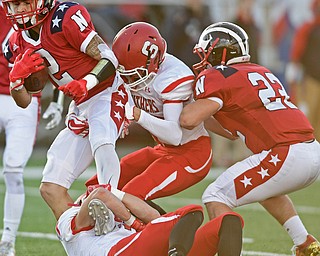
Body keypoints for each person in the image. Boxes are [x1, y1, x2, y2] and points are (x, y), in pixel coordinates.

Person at [179, 21, 320, 255]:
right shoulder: (260, 71)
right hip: (311, 149)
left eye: (205, 53)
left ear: (219, 52)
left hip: (285, 153)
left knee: (215, 194)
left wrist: (180, 102)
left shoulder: (217, 76)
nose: (203, 59)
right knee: (264, 190)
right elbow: (230, 133)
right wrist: (202, 110)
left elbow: (188, 120)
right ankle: (306, 243)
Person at [2, 0, 129, 221]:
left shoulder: (64, 17)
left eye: (25, 2)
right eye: (14, 4)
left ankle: (115, 213)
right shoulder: (14, 41)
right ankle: (82, 240)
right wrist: (16, 83)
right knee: (51, 188)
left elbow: (110, 58)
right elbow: (24, 101)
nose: (20, 9)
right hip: (80, 104)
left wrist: (86, 83)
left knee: (102, 141)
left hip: (107, 90)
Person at [85, 22, 212, 205]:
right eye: (125, 74)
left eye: (133, 75)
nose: (129, 81)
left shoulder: (173, 76)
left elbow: (174, 136)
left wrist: (138, 116)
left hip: (190, 152)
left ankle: (156, 229)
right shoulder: (138, 71)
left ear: (153, 61)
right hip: (163, 150)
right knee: (98, 185)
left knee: (130, 195)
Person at [0, 3, 63, 255]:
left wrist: (58, 102)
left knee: (14, 168)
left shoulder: (52, 14)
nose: (20, 8)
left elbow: (65, 57)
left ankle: (7, 239)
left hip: (23, 99)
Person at [57, 184, 203, 256]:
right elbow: (100, 194)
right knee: (192, 212)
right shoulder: (71, 221)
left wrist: (116, 194)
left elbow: (155, 217)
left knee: (221, 222)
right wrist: (134, 223)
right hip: (116, 250)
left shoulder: (112, 225)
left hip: (125, 246)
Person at [285, 0, 320, 141]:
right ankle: (307, 146)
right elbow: (297, 49)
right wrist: (293, 67)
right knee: (308, 116)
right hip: (311, 78)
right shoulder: (309, 28)